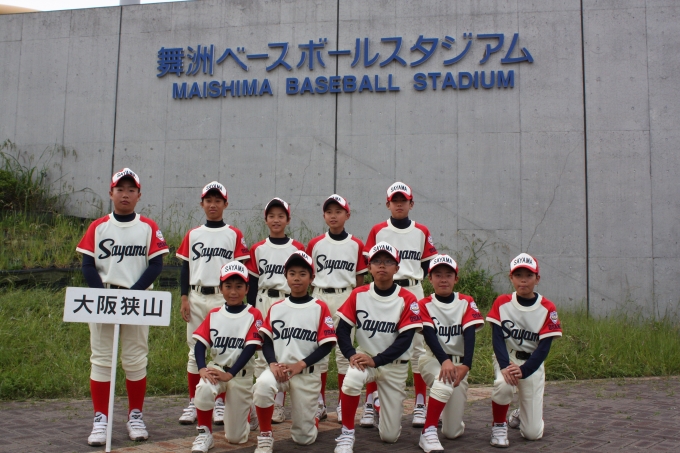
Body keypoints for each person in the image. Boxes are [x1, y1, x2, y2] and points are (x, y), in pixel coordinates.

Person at [76, 168, 169, 446]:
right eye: (120, 189)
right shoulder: (98, 226)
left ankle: (135, 415)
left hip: (136, 299)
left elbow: (156, 264)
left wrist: (134, 294)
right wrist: (103, 298)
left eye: (131, 190)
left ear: (139, 195)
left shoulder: (147, 226)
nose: (125, 194)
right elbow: (88, 264)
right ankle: (101, 419)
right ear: (111, 193)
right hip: (105, 297)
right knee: (102, 360)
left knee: (135, 359)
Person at [334, 242, 423, 453]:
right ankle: (346, 433)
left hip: (394, 365)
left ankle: (380, 408)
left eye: (388, 261)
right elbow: (342, 329)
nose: (382, 265)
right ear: (369, 267)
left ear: (397, 268)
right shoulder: (359, 294)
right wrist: (351, 354)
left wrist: (377, 360)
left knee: (389, 437)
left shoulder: (407, 298)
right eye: (376, 261)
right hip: (366, 358)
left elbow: (405, 339)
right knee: (351, 379)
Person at [363, 182, 438, 427]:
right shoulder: (378, 230)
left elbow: (429, 265)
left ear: (411, 203)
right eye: (394, 200)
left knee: (417, 348)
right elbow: (369, 264)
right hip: (384, 290)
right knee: (376, 343)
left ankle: (420, 403)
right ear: (387, 204)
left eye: (403, 200)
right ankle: (370, 401)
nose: (398, 204)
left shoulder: (421, 231)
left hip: (412, 289)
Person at [176, 181, 250, 427]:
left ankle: (218, 401)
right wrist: (184, 297)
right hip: (197, 295)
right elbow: (185, 267)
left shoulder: (233, 233)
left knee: (223, 350)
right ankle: (194, 401)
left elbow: (242, 270)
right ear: (202, 204)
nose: (213, 204)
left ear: (225, 204)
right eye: (209, 200)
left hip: (223, 297)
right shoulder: (193, 234)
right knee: (194, 350)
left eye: (218, 200)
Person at [252, 251, 336, 453]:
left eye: (302, 274)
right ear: (286, 276)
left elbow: (327, 345)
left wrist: (301, 364)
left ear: (312, 278)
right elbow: (266, 340)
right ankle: (265, 434)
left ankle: (313, 417)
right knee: (262, 386)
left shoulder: (319, 307)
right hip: (279, 370)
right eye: (292, 273)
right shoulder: (277, 307)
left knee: (303, 439)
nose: (297, 278)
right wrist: (272, 363)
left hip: (306, 373)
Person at [486, 253, 563, 448]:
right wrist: (505, 366)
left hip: (532, 363)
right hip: (508, 357)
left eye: (529, 275)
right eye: (518, 275)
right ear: (511, 278)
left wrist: (525, 370)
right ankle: (499, 425)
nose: (523, 280)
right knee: (503, 384)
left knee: (532, 434)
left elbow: (544, 347)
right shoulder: (502, 302)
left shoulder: (547, 307)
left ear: (537, 279)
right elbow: (497, 338)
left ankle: (522, 413)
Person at [189, 261, 263, 452]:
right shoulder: (215, 313)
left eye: (239, 286)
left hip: (241, 374)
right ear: (221, 288)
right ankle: (204, 434)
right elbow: (200, 344)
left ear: (247, 289)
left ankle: (249, 408)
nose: (233, 291)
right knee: (204, 388)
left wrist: (230, 374)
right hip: (218, 368)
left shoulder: (253, 314)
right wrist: (202, 368)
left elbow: (250, 348)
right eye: (228, 286)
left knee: (236, 439)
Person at [306, 194, 367, 423]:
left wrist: (355, 302)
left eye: (338, 211)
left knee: (344, 353)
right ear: (324, 215)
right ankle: (319, 403)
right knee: (319, 353)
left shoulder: (356, 244)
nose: (333, 216)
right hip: (320, 295)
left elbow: (360, 278)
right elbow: (307, 275)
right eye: (329, 212)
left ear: (347, 215)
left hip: (345, 296)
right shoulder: (315, 243)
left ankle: (342, 403)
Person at [417, 254, 485, 452]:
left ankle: (442, 410)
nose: (443, 279)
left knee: (452, 432)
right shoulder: (424, 303)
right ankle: (427, 431)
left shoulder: (466, 301)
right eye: (438, 275)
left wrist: (466, 365)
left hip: (459, 364)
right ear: (430, 279)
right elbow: (430, 335)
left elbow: (470, 335)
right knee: (444, 380)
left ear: (456, 279)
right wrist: (445, 361)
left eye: (448, 275)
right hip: (432, 360)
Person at [246, 197, 305, 423]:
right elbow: (252, 282)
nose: (276, 220)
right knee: (262, 353)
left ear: (288, 220)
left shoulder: (297, 248)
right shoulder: (258, 248)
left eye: (281, 216)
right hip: (264, 300)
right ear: (266, 219)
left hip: (288, 300)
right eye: (271, 216)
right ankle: (261, 402)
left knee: (285, 352)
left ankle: (278, 403)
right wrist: (251, 310)